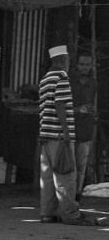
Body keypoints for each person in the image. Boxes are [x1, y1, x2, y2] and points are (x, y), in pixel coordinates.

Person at [38, 45, 88, 225]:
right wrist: (66, 132)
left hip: (46, 134)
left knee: (47, 177)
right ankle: (70, 214)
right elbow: (60, 105)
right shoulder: (62, 77)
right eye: (68, 60)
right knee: (66, 175)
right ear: (63, 60)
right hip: (59, 135)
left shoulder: (45, 79)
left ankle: (47, 213)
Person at [70, 49, 98, 201]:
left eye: (87, 65)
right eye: (82, 64)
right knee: (68, 166)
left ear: (91, 66)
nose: (84, 68)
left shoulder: (93, 83)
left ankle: (77, 195)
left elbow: (93, 103)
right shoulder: (69, 82)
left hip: (86, 129)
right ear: (77, 65)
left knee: (81, 166)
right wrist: (78, 109)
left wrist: (92, 112)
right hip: (69, 128)